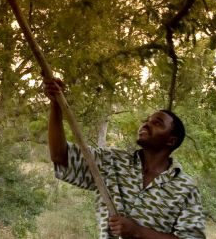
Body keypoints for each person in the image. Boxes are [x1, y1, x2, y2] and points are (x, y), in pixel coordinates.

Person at [44, 77, 205, 239]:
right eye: (146, 120)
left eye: (157, 123)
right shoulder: (111, 162)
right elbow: (60, 156)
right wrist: (56, 105)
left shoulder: (185, 188)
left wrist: (138, 232)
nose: (146, 124)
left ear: (171, 141)